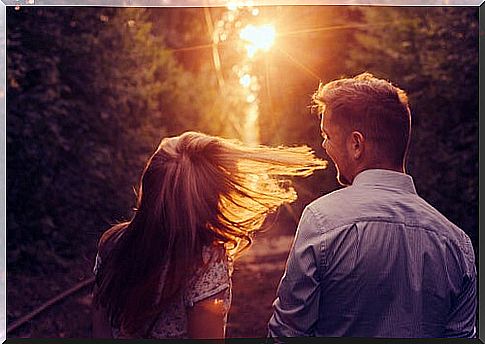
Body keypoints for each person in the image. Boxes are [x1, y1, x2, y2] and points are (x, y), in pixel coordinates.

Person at [267, 73, 476, 338]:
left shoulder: (321, 221)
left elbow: (287, 334)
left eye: (327, 135)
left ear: (356, 144)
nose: (323, 145)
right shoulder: (458, 245)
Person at [91, 131, 326, 339]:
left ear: (149, 187)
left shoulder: (113, 242)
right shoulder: (207, 261)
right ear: (207, 201)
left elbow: (100, 333)